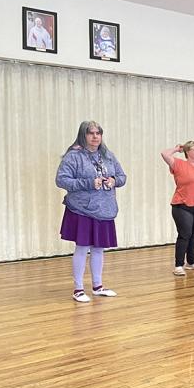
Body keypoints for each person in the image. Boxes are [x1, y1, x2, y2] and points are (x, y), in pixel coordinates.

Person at [56, 121, 127, 302]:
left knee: (98, 248)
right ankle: (78, 289)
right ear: (83, 135)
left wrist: (113, 180)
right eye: (91, 133)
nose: (95, 137)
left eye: (98, 133)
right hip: (82, 209)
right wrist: (88, 183)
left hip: (104, 208)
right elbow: (62, 180)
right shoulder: (74, 156)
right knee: (82, 247)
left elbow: (122, 176)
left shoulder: (108, 155)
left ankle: (97, 286)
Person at [161, 141, 194, 276]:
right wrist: (177, 148)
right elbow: (164, 154)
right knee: (185, 235)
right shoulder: (179, 164)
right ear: (187, 152)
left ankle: (191, 262)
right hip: (182, 206)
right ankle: (178, 265)